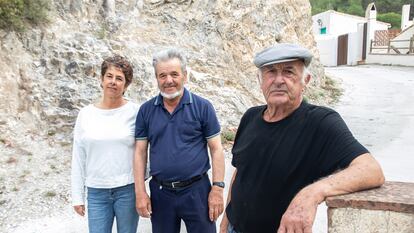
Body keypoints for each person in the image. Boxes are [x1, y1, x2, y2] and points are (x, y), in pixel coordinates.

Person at [219, 43, 385, 233]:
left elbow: (371, 170)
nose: (278, 80)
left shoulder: (320, 122)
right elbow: (240, 173)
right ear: (260, 80)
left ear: (305, 80)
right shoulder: (250, 117)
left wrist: (312, 193)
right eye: (270, 72)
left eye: (288, 72)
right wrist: (226, 220)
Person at [133, 48, 225, 233]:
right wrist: (140, 192)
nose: (168, 81)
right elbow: (140, 152)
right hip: (161, 193)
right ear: (157, 78)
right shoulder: (146, 111)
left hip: (197, 191)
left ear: (184, 75)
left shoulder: (203, 107)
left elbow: (216, 149)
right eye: (162, 75)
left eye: (174, 74)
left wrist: (217, 189)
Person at [71, 55, 139, 233]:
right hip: (96, 192)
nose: (113, 82)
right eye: (109, 76)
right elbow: (78, 157)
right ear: (101, 79)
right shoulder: (85, 115)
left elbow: (144, 150)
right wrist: (77, 196)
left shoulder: (135, 112)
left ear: (126, 84)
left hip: (128, 190)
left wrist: (142, 185)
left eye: (119, 78)